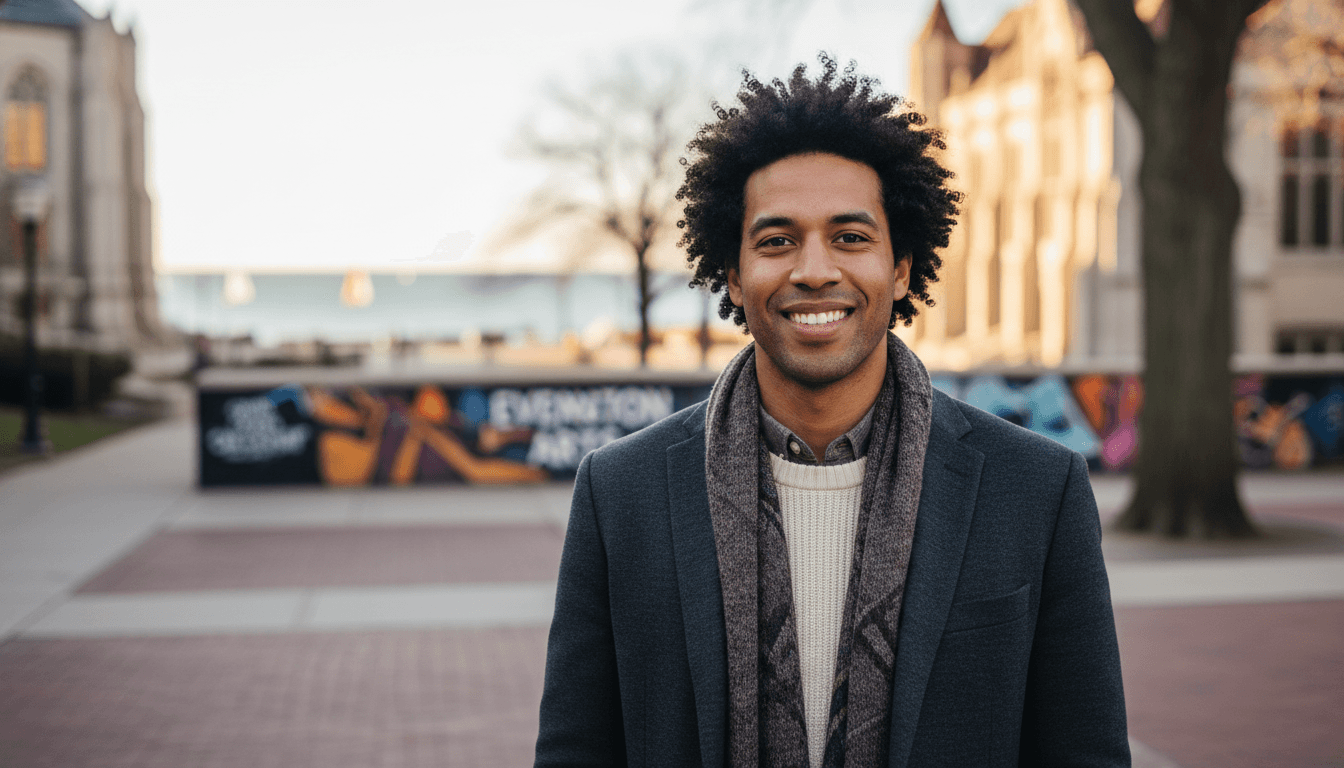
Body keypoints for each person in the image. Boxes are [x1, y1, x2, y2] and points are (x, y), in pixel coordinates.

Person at [536, 56, 1129, 768]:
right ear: (732, 271)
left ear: (902, 267)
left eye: (850, 237)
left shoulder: (1036, 490)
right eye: (777, 240)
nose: (814, 268)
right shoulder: (620, 493)